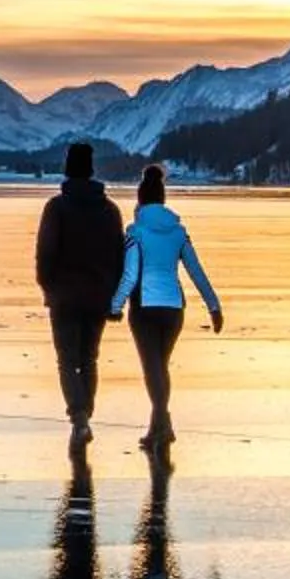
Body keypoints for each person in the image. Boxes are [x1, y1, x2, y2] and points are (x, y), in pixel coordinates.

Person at [106, 163, 221, 450]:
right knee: (160, 367)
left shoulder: (135, 232)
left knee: (153, 367)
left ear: (140, 200)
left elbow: (130, 274)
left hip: (145, 309)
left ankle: (163, 425)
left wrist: (115, 305)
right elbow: (196, 270)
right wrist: (214, 306)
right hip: (173, 308)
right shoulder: (178, 233)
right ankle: (159, 427)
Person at [33, 141, 125, 448]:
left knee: (66, 360)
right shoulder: (110, 210)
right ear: (91, 169)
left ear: (68, 170)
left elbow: (45, 253)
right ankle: (85, 415)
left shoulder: (56, 208)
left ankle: (79, 418)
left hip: (65, 298)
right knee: (89, 359)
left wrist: (48, 286)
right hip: (99, 297)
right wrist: (114, 296)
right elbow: (119, 257)